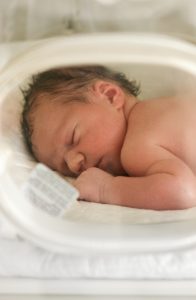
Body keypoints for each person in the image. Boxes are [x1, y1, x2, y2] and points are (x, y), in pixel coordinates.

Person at [21, 65, 196, 210]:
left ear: (110, 96)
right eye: (63, 166)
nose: (74, 164)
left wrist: (106, 189)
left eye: (73, 138)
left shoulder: (136, 145)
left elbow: (183, 193)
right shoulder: (162, 107)